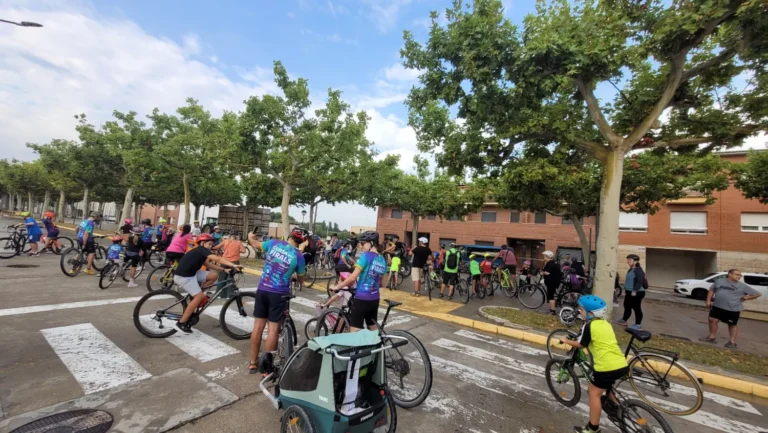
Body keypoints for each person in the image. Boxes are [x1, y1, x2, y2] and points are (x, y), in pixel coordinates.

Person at [559, 295, 628, 433]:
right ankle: (618, 408)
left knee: (593, 392)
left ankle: (592, 428)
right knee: (605, 387)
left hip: (605, 368)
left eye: (582, 310)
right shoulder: (606, 324)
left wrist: (566, 340)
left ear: (591, 314)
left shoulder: (589, 326)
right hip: (621, 364)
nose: (580, 311)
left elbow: (581, 344)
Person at [246, 227, 308, 374]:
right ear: (301, 242)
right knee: (273, 330)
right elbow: (301, 278)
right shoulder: (298, 256)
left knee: (258, 327)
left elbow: (255, 244)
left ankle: (253, 363)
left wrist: (250, 236)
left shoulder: (273, 243)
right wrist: (296, 278)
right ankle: (266, 369)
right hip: (279, 293)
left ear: (290, 236)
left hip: (263, 289)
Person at [173, 234, 242, 334]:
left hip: (192, 274)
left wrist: (224, 269)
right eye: (209, 244)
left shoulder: (200, 252)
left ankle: (198, 293)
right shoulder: (201, 249)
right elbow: (217, 259)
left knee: (213, 276)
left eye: (211, 244)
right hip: (184, 277)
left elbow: (209, 265)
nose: (211, 246)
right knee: (198, 297)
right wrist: (233, 265)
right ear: (202, 243)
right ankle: (181, 323)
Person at [331, 231, 386, 332]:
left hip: (362, 299)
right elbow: (382, 283)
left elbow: (352, 278)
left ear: (371, 243)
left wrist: (337, 287)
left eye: (363, 243)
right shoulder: (382, 259)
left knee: (355, 332)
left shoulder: (365, 256)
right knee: (372, 329)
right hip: (374, 299)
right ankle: (379, 346)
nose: (360, 246)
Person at [700, 269, 762, 348]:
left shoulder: (742, 286)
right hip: (717, 306)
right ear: (729, 274)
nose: (739, 276)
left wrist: (747, 297)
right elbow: (712, 290)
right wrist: (708, 300)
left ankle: (732, 342)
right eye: (737, 274)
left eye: (740, 275)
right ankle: (711, 337)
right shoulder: (719, 281)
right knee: (712, 319)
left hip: (732, 308)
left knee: (732, 324)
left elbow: (757, 294)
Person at [616, 254, 646, 330]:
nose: (628, 261)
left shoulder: (638, 270)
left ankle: (638, 325)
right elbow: (630, 280)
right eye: (628, 260)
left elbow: (640, 281)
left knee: (636, 308)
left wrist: (634, 291)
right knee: (627, 306)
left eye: (630, 260)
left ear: (635, 261)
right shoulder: (631, 269)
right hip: (629, 292)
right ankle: (624, 320)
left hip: (637, 292)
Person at [212, 232, 246, 298]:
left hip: (224, 261)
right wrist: (238, 251)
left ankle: (219, 294)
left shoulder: (225, 241)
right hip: (234, 262)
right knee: (230, 278)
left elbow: (216, 247)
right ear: (236, 237)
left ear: (229, 236)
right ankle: (229, 295)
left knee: (221, 278)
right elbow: (244, 251)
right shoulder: (238, 242)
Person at [541, 250, 562, 315]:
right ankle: (551, 308)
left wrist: (542, 273)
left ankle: (552, 311)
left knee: (551, 296)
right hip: (556, 281)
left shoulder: (550, 263)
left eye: (544, 256)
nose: (543, 257)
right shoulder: (556, 262)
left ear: (547, 256)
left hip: (551, 282)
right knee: (551, 295)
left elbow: (547, 273)